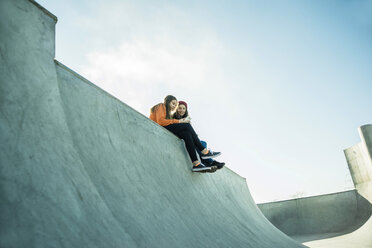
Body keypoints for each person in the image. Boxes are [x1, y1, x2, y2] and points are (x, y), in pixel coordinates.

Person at [150, 95, 220, 172]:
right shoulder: (161, 106)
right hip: (159, 127)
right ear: (167, 101)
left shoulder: (168, 114)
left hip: (166, 129)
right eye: (173, 104)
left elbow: (168, 122)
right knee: (187, 126)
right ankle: (204, 151)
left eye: (175, 105)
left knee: (187, 134)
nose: (174, 106)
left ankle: (196, 164)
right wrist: (180, 121)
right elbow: (160, 122)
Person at [174, 101, 225, 170]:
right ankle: (209, 161)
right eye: (180, 108)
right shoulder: (174, 117)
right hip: (181, 135)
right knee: (198, 144)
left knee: (203, 143)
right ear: (176, 109)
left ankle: (207, 161)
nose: (182, 110)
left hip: (187, 135)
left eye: (184, 108)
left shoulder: (186, 119)